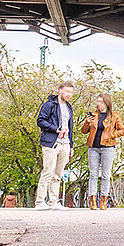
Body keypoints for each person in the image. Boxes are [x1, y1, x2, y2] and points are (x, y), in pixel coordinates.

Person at [79, 93, 124, 210]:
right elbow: (84, 131)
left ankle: (104, 201)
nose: (97, 103)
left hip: (108, 148)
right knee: (93, 174)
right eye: (97, 101)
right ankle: (93, 202)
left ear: (106, 103)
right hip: (93, 148)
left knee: (105, 175)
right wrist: (87, 122)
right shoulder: (94, 115)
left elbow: (123, 130)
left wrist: (112, 135)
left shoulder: (115, 116)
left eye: (100, 101)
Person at [35, 81, 76, 210]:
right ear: (60, 91)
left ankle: (53, 202)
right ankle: (40, 201)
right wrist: (55, 129)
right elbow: (40, 121)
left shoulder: (69, 108)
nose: (69, 94)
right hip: (51, 142)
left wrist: (71, 146)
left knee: (58, 174)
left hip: (65, 144)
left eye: (71, 92)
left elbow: (70, 127)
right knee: (48, 171)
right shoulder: (49, 105)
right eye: (67, 91)